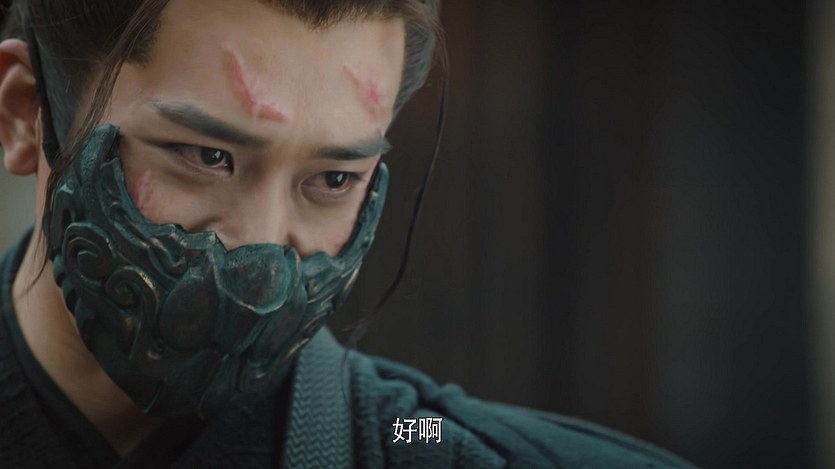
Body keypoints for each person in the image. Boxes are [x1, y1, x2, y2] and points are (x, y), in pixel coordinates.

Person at [0, 0, 694, 467]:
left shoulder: (425, 440)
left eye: (333, 178)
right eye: (207, 156)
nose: (263, 252)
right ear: (26, 115)